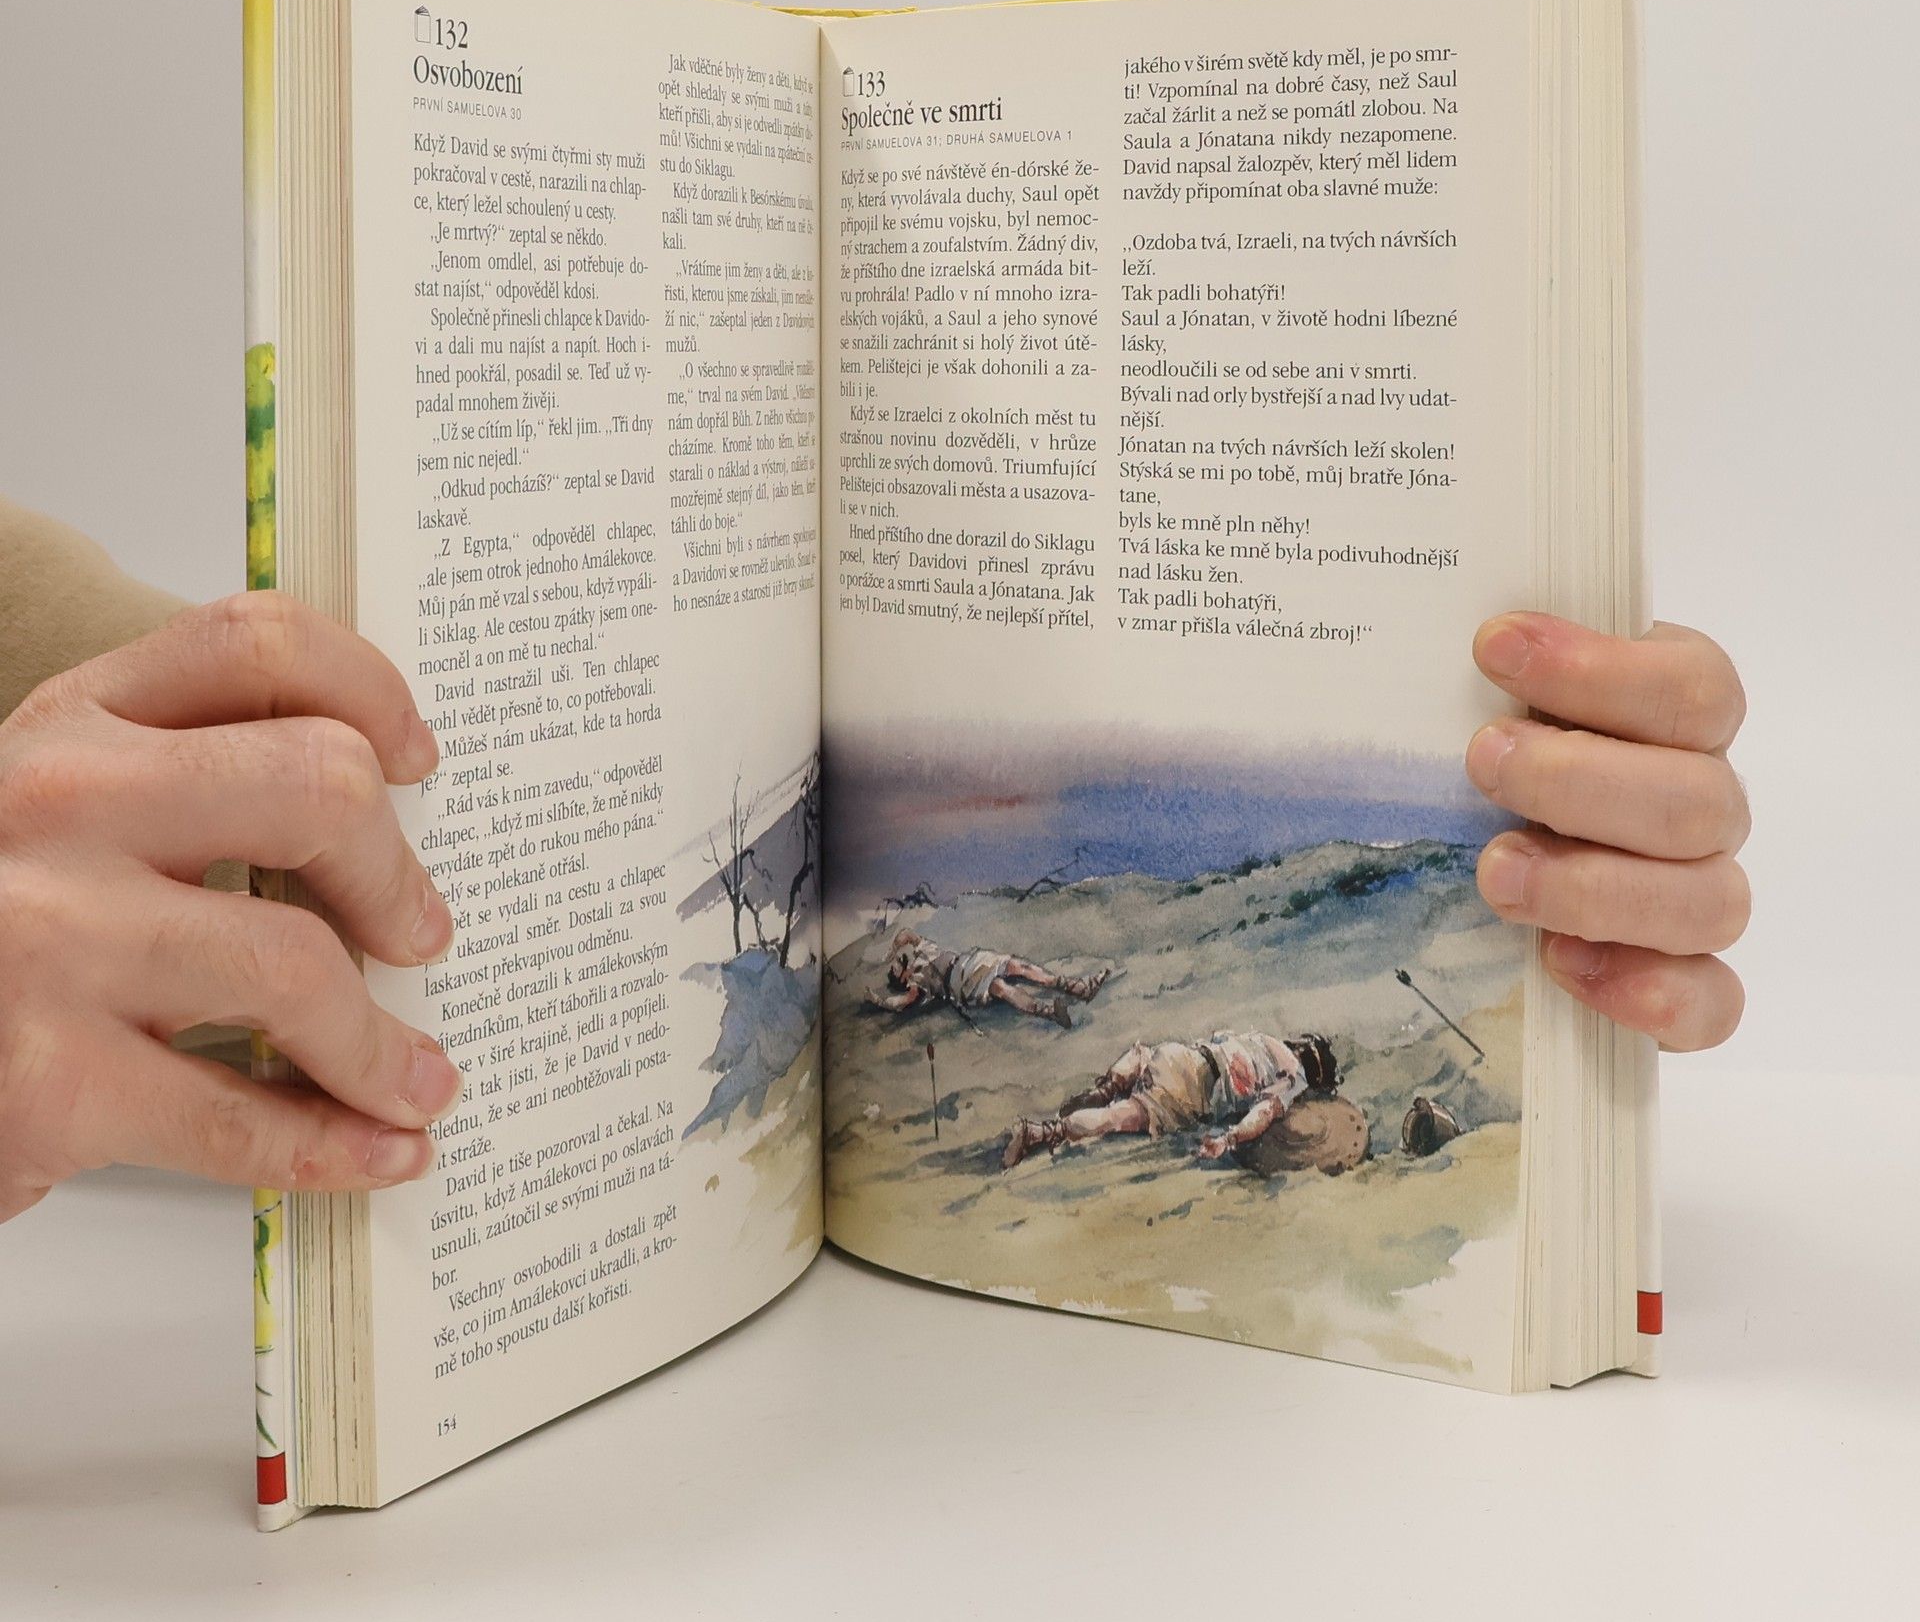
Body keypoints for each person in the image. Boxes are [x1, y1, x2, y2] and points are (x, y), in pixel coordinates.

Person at [0, 498, 1752, 1224]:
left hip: (1116, 1048)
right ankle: (1043, 1054)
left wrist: (1536, 803)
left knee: (1063, 1044)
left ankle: (1041, 1070)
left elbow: (123, 769)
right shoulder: (1266, 1068)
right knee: (1054, 1025)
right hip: (1126, 1054)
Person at [1002, 1029, 1335, 1167]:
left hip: (1182, 1055)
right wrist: (1229, 1139)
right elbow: (1263, 1113)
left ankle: (1107, 1087)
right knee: (1119, 1117)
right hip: (1191, 1089)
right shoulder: (1295, 1078)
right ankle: (1041, 1132)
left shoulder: (1264, 1039)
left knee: (1142, 1056)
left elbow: (1219, 1038)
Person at [869, 929, 1109, 1029]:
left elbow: (907, 934)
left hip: (971, 961)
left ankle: (1079, 988)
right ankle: (1051, 1013)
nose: (898, 963)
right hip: (960, 984)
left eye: (896, 962)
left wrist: (891, 950)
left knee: (1018, 965)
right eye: (895, 968)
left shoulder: (923, 950)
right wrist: (880, 1002)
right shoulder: (917, 983)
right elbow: (903, 1001)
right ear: (901, 978)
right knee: (1000, 988)